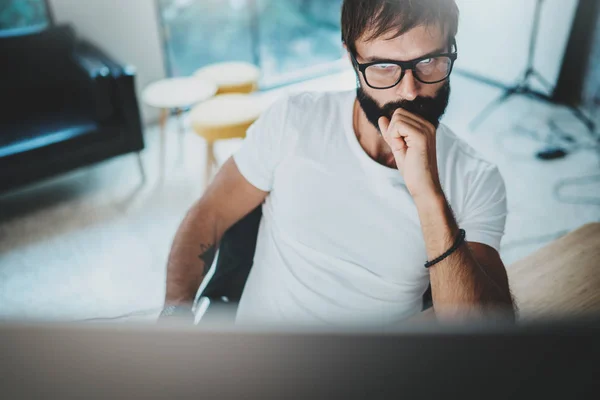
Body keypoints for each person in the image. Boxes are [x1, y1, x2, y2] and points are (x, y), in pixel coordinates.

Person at [159, 0, 515, 326]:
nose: (409, 90)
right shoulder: (293, 120)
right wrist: (175, 311)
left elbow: (485, 334)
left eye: (429, 61)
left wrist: (428, 195)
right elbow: (210, 213)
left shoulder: (475, 178)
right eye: (384, 67)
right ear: (351, 58)